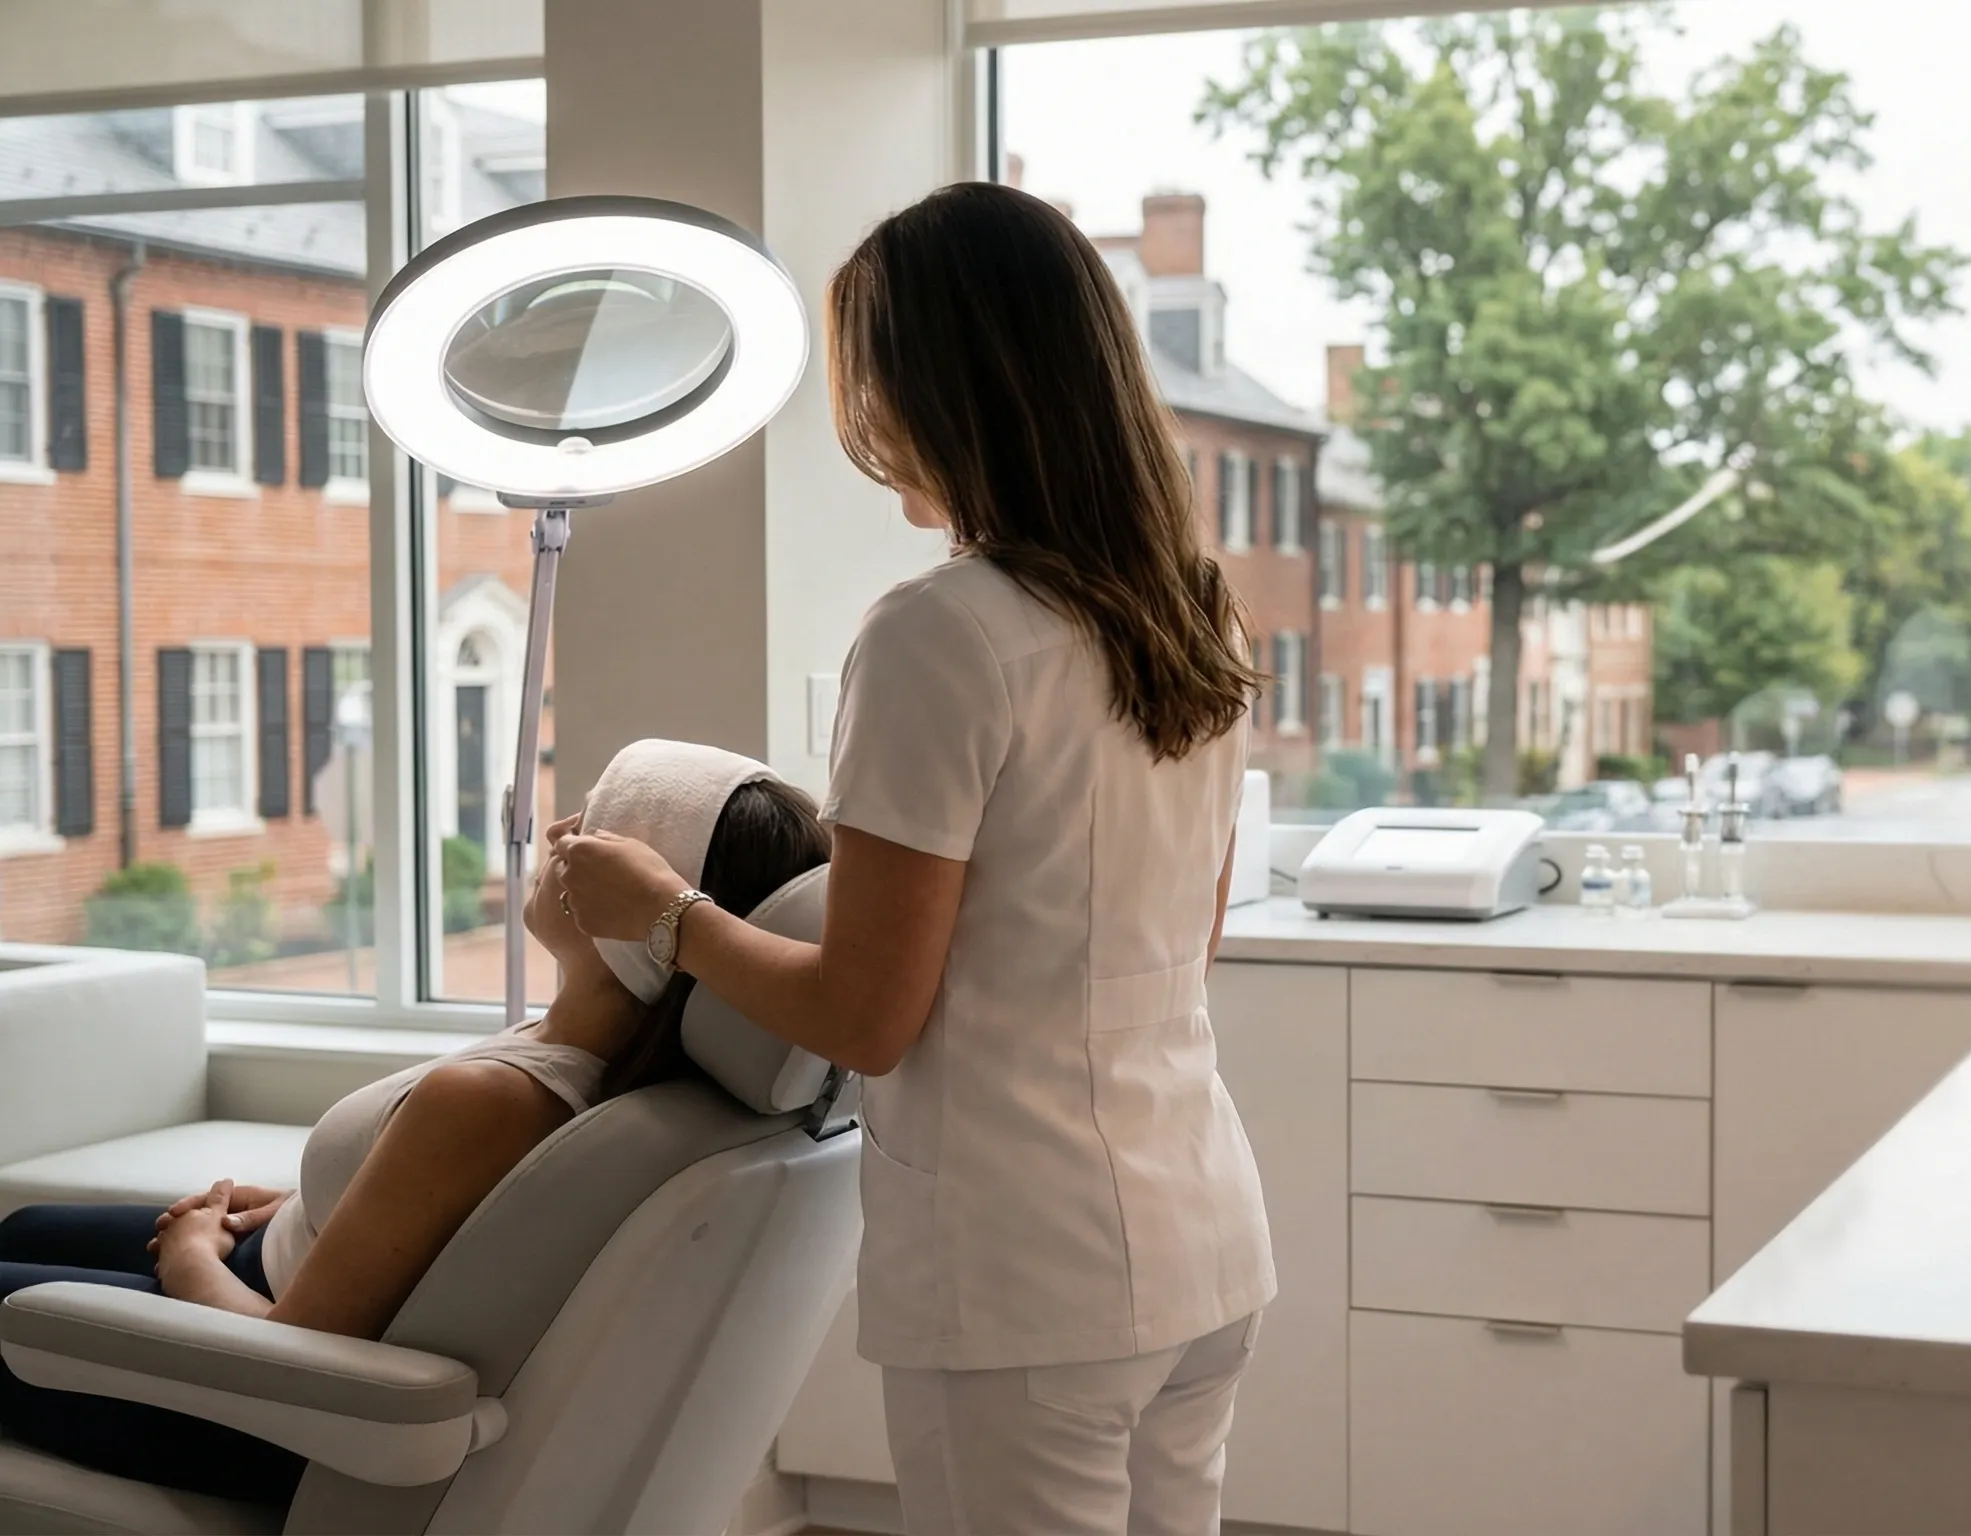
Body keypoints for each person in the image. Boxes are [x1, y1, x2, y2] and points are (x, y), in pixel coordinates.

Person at [554, 181, 1273, 1536]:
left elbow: (864, 1016)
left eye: (872, 379)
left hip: (1030, 1274)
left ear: (943, 388)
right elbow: (1185, 940)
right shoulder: (1195, 614)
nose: (866, 419)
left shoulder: (939, 634)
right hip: (1201, 1233)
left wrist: (665, 911)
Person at [0, 767, 830, 1506]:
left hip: (253, 1403)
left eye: (594, 833)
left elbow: (290, 1360)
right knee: (27, 1228)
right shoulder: (602, 1064)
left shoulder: (493, 1100)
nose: (555, 834)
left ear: (631, 902)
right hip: (283, 1270)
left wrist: (189, 1259)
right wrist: (332, 1201)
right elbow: (457, 1223)